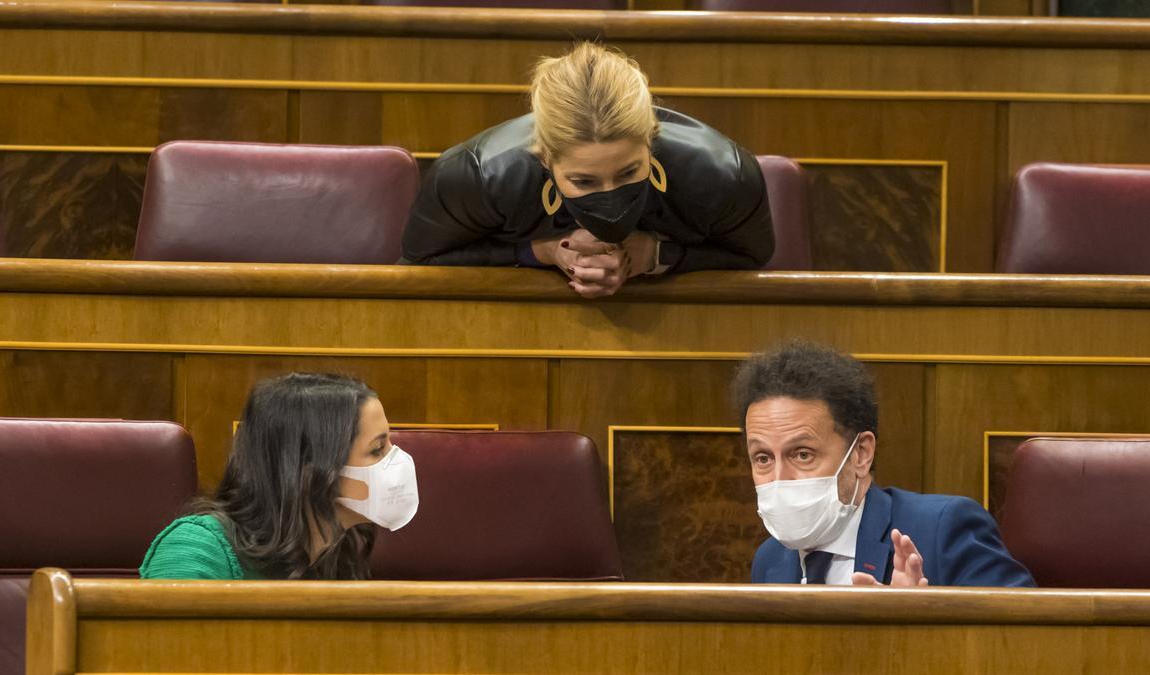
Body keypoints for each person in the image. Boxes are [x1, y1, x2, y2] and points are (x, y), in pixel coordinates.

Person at [401, 41, 775, 298]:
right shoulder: (478, 175)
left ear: (651, 141)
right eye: (584, 180)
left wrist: (655, 256)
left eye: (628, 173)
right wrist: (544, 251)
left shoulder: (724, 173)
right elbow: (418, 265)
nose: (610, 193)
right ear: (544, 159)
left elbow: (753, 259)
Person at [735, 341, 1035, 587]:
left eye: (802, 454)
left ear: (861, 454)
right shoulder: (771, 560)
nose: (780, 479)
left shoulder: (943, 530)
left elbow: (1026, 645)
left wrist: (919, 627)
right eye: (762, 458)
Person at [140, 373, 418, 580]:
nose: (397, 462)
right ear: (310, 468)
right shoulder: (196, 548)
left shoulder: (336, 559)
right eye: (377, 449)